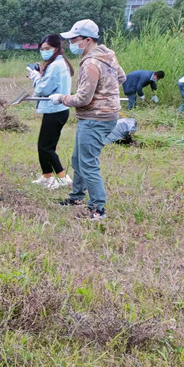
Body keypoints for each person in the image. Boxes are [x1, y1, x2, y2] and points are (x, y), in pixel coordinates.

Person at [49, 19, 126, 221]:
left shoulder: (91, 62)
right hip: (104, 115)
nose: (71, 44)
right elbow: (121, 78)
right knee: (78, 160)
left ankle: (97, 209)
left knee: (88, 164)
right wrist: (107, 92)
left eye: (75, 40)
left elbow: (83, 98)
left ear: (88, 40)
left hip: (95, 118)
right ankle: (76, 197)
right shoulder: (107, 55)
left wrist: (61, 98)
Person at [26, 34, 74, 191]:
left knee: (47, 147)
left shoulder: (56, 66)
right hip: (56, 110)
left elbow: (42, 89)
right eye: (42, 49)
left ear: (57, 48)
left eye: (47, 49)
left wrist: (35, 76)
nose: (44, 52)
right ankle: (47, 176)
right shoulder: (58, 64)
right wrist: (41, 74)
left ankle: (62, 178)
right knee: (43, 145)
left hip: (56, 110)